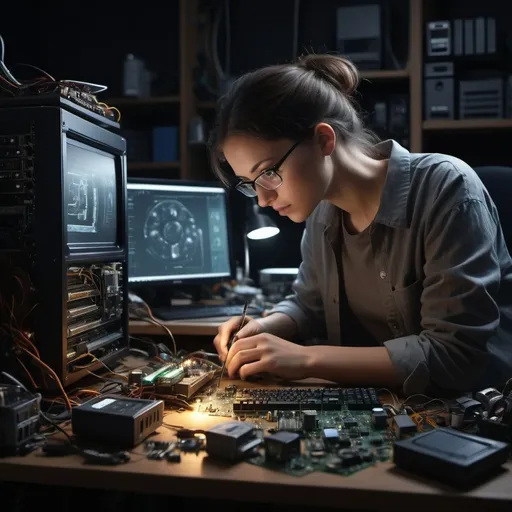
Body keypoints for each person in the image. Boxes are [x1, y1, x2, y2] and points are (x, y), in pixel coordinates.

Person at [208, 53, 512, 396]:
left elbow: (454, 355)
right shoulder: (322, 212)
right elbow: (309, 304)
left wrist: (307, 359)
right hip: (388, 404)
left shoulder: (446, 187)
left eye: (268, 172)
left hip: (476, 410)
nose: (262, 199)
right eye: (251, 183)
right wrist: (266, 328)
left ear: (324, 140)